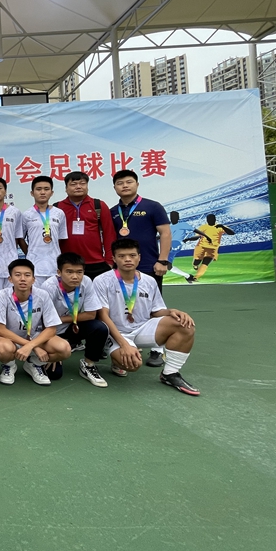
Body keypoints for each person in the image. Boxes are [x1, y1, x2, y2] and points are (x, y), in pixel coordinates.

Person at [94, 239, 200, 396]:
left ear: (139, 257)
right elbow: (103, 316)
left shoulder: (149, 281)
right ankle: (116, 359)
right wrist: (124, 344)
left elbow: (156, 311)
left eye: (132, 255)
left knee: (184, 325)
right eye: (122, 256)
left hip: (142, 328)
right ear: (114, 259)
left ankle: (170, 373)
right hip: (115, 333)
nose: (127, 259)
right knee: (132, 364)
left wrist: (172, 311)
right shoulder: (102, 280)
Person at [110, 169, 171, 368]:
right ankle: (127, 341)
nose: (125, 186)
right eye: (120, 183)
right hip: (122, 267)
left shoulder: (153, 206)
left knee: (154, 307)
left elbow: (165, 233)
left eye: (129, 182)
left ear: (137, 184)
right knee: (123, 305)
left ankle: (157, 349)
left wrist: (162, 260)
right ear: (115, 187)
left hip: (149, 264)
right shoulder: (113, 211)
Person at [36, 252, 111, 387]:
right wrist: (55, 352)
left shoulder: (86, 282)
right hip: (49, 330)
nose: (75, 276)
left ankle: (88, 365)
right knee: (54, 374)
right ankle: (38, 356)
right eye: (69, 272)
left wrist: (60, 319)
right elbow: (42, 320)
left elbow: (91, 314)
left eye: (79, 272)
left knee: (100, 328)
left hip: (70, 325)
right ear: (59, 272)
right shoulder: (49, 287)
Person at [0, 258, 70, 386]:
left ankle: (34, 363)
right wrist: (33, 347)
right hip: (10, 339)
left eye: (27, 275)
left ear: (34, 279)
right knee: (3, 348)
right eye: (18, 275)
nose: (23, 279)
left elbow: (51, 328)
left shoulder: (42, 295)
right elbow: (0, 329)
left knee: (64, 348)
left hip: (35, 337)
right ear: (10, 279)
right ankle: (9, 366)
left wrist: (31, 345)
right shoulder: (2, 295)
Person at [57, 171, 116, 280]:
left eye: (82, 183)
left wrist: (109, 261)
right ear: (66, 188)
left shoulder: (98, 205)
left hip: (96, 262)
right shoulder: (57, 208)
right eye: (73, 184)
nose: (78, 187)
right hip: (67, 263)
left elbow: (109, 234)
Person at [21, 176, 67, 284]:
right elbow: (20, 239)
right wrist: (30, 252)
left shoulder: (59, 213)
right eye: (38, 189)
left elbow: (61, 238)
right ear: (32, 193)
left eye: (46, 189)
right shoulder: (26, 215)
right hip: (34, 266)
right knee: (35, 294)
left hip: (54, 266)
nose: (42, 192)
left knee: (54, 294)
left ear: (51, 193)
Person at [189, 213, 236, 282]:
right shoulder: (203, 227)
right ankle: (195, 265)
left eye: (212, 219)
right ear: (207, 220)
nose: (210, 220)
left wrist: (223, 227)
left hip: (212, 249)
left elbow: (232, 233)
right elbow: (197, 236)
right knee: (197, 261)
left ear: (215, 219)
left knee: (205, 263)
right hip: (201, 247)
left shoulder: (220, 227)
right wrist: (190, 239)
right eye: (209, 219)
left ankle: (196, 277)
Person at [166, 211, 198, 283]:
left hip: (173, 245)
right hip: (170, 245)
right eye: (171, 216)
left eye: (173, 216)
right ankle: (188, 276)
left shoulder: (181, 225)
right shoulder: (169, 227)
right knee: (169, 266)